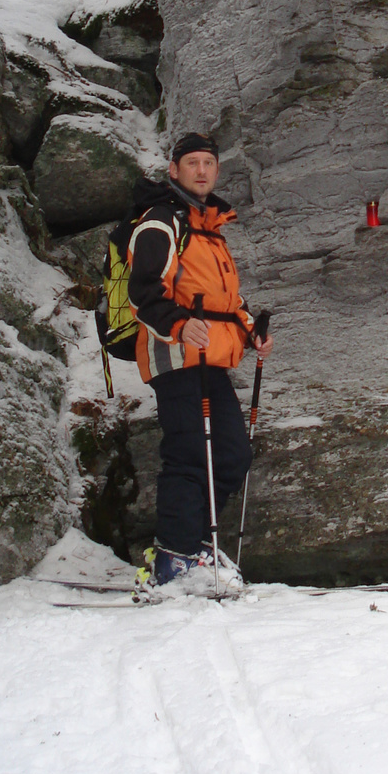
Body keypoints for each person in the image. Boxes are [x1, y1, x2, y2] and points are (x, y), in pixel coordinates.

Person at [126, 131, 274, 590]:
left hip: (211, 357)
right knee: (190, 454)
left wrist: (252, 331)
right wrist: (176, 324)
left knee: (232, 455)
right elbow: (143, 291)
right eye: (192, 163)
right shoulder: (160, 222)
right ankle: (174, 556)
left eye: (208, 163)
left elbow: (226, 300)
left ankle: (192, 545)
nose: (202, 170)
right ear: (174, 170)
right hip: (174, 356)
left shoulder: (209, 231)